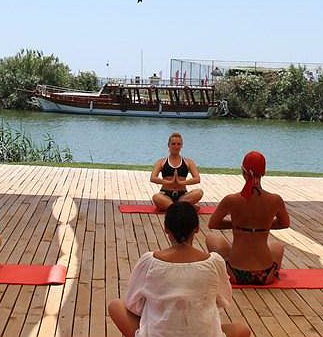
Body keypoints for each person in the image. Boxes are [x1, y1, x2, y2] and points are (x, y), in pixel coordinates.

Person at [108, 202, 250, 337]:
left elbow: (132, 304)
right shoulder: (214, 262)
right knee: (242, 329)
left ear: (166, 229)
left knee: (116, 306)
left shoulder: (149, 262)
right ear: (197, 229)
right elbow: (224, 299)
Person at [205, 151, 289, 286]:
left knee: (211, 238)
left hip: (234, 273)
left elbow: (213, 224)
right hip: (265, 274)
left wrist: (237, 225)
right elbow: (284, 223)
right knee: (278, 246)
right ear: (264, 173)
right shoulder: (275, 200)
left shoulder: (231, 199)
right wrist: (264, 225)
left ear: (243, 172)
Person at [150, 132, 203, 211]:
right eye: (173, 144)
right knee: (156, 197)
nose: (176, 146)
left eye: (178, 144)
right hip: (166, 194)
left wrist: (181, 182)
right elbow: (153, 178)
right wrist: (169, 182)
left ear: (182, 146)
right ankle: (184, 207)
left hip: (183, 195)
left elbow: (197, 179)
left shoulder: (188, 162)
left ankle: (172, 207)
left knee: (199, 192)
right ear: (168, 145)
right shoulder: (161, 162)